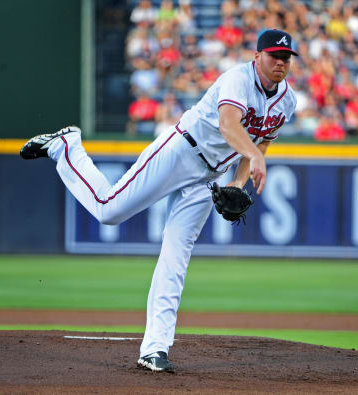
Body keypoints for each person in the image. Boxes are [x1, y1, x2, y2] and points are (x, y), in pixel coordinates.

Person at [19, 29, 298, 373]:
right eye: (274, 56)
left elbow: (257, 143)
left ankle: (155, 349)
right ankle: (67, 147)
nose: (280, 63)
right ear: (257, 57)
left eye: (286, 58)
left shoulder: (287, 101)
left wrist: (239, 184)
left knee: (175, 257)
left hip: (209, 177)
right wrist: (255, 155)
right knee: (109, 210)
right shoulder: (237, 79)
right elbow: (229, 127)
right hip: (180, 151)